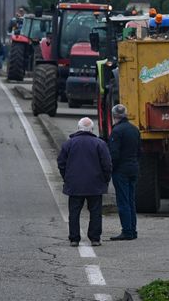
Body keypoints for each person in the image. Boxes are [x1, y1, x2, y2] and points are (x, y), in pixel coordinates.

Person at [57, 117, 112, 247]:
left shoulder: (68, 144)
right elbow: (107, 165)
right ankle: (95, 238)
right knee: (95, 212)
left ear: (78, 128)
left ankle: (74, 238)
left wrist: (67, 178)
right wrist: (105, 179)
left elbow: (61, 163)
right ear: (92, 129)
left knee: (74, 212)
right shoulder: (100, 144)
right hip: (95, 184)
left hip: (74, 184)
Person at [108, 104, 141, 241]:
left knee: (123, 201)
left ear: (114, 116)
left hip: (121, 170)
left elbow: (114, 154)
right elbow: (139, 151)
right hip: (133, 167)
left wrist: (111, 169)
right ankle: (132, 230)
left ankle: (126, 231)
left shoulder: (116, 131)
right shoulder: (134, 129)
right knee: (131, 200)